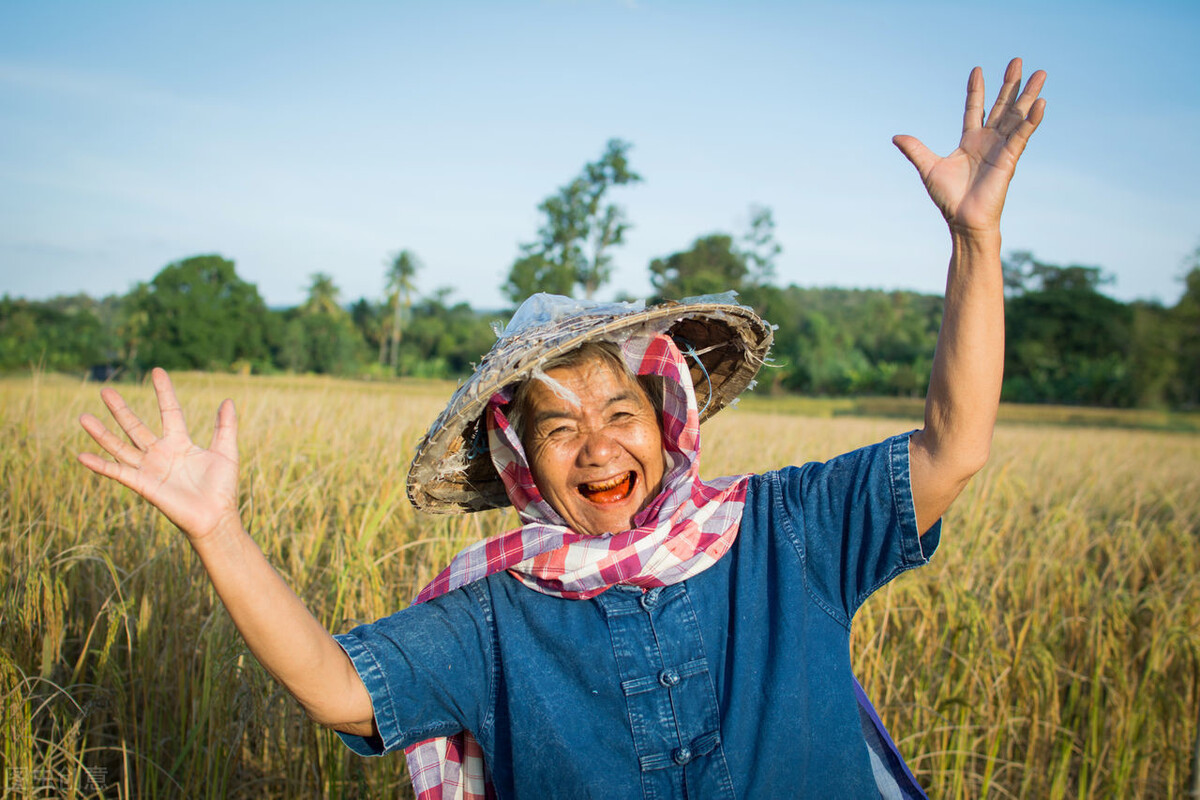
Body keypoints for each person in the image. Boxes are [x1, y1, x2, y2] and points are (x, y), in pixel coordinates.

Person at [78, 58, 1046, 798]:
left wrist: (975, 239)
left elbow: (952, 446)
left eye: (621, 411)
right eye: (559, 429)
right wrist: (219, 530)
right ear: (521, 463)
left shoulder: (786, 533)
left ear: (667, 422)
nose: (598, 446)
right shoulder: (494, 618)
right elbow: (340, 688)